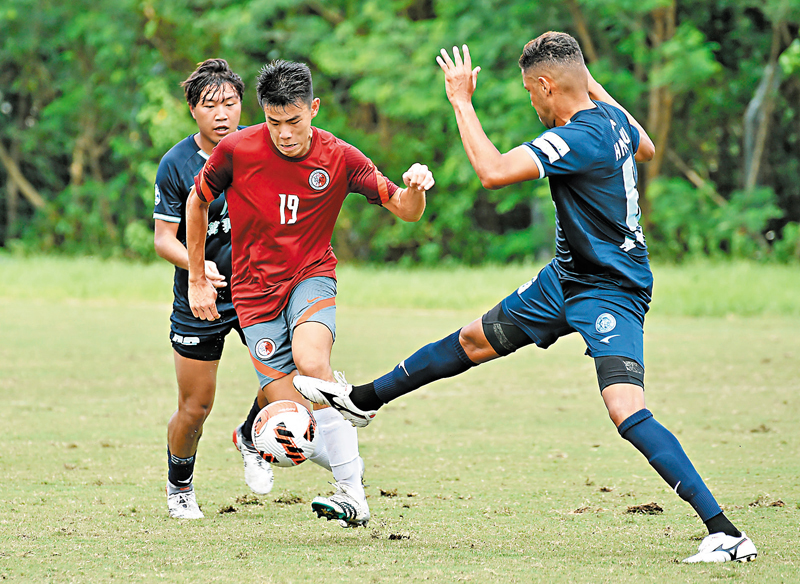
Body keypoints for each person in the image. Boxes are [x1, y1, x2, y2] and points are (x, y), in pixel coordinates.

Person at [293, 33, 758, 562]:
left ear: (545, 86)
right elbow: (646, 148)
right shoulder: (614, 120)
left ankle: (725, 532)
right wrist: (586, 84)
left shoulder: (578, 137)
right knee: (475, 339)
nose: (531, 103)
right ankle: (363, 401)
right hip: (567, 276)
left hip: (612, 289)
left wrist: (461, 102)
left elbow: (492, 172)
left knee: (626, 409)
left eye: (530, 93)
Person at [185, 59, 434, 527]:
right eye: (274, 121)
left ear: (313, 109)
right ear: (263, 113)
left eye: (294, 121)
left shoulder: (340, 156)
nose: (284, 133)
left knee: (314, 367)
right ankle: (255, 434)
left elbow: (404, 209)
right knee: (297, 420)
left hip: (310, 276)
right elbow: (196, 201)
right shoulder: (237, 149)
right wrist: (198, 278)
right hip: (253, 293)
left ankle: (352, 496)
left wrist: (416, 188)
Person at [153, 58, 275, 519]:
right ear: (193, 111)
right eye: (210, 105)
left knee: (286, 379)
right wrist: (197, 269)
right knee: (196, 406)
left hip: (258, 289)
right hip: (198, 299)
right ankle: (179, 486)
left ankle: (250, 435)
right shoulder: (177, 164)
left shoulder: (265, 147)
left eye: (230, 103)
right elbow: (165, 239)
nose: (222, 114)